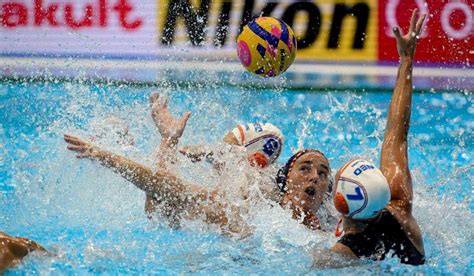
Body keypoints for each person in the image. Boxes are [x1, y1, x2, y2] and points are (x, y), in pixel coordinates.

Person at [313, 10, 426, 266]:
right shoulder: (401, 210)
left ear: (339, 201)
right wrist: (407, 58)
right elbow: (397, 133)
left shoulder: (343, 252)